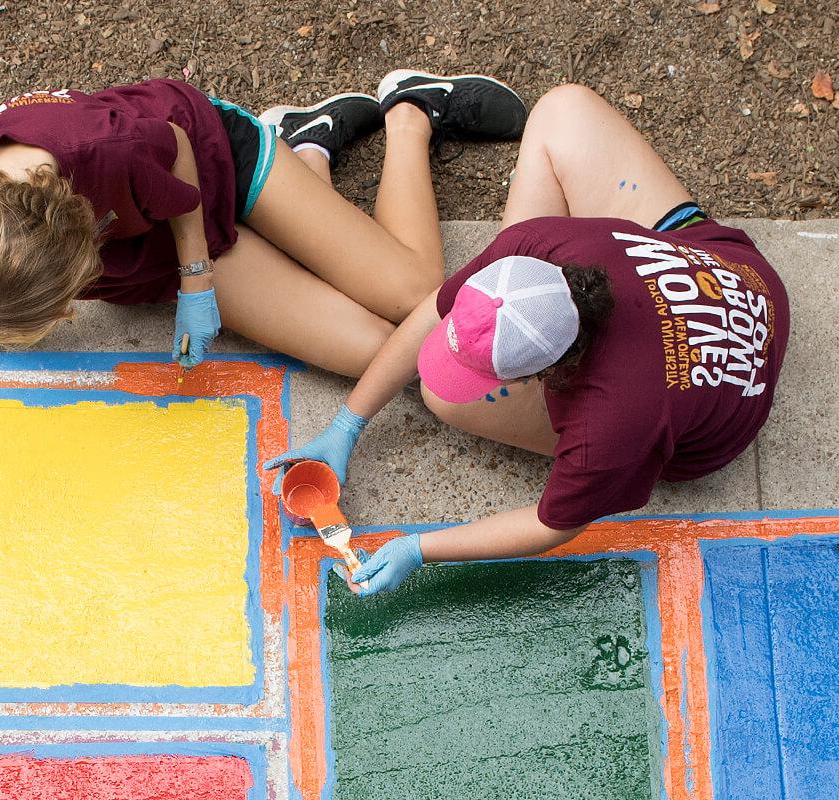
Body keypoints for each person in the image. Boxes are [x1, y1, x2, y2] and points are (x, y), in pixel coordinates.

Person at [263, 83, 792, 595]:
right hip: (734, 270)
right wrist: (347, 423)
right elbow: (436, 311)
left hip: (718, 424)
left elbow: (553, 523)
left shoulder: (613, 423)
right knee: (565, 109)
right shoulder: (533, 250)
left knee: (440, 396)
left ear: (549, 373)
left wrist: (419, 548)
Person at [0, 72, 529, 377]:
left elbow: (179, 160)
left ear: (84, 239)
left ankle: (409, 112)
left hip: (210, 157)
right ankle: (311, 146)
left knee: (418, 293)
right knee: (386, 353)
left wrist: (196, 282)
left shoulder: (107, 154)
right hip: (144, 235)